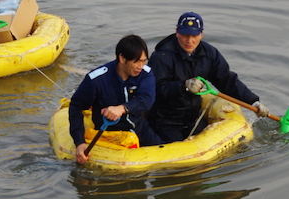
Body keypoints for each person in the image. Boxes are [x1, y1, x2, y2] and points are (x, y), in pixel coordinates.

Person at [148, 12, 269, 143]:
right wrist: (184, 86)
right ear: (177, 32)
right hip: (165, 120)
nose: (189, 41)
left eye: (194, 35)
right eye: (185, 35)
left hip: (193, 117)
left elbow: (227, 80)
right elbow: (156, 89)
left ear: (201, 34)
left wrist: (253, 101)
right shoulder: (162, 56)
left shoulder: (209, 54)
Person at [69, 34, 163, 164]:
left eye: (144, 61)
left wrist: (122, 108)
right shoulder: (96, 80)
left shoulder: (145, 73)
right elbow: (76, 107)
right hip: (108, 134)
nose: (141, 66)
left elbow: (147, 99)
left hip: (139, 129)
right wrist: (79, 142)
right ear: (122, 58)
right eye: (137, 61)